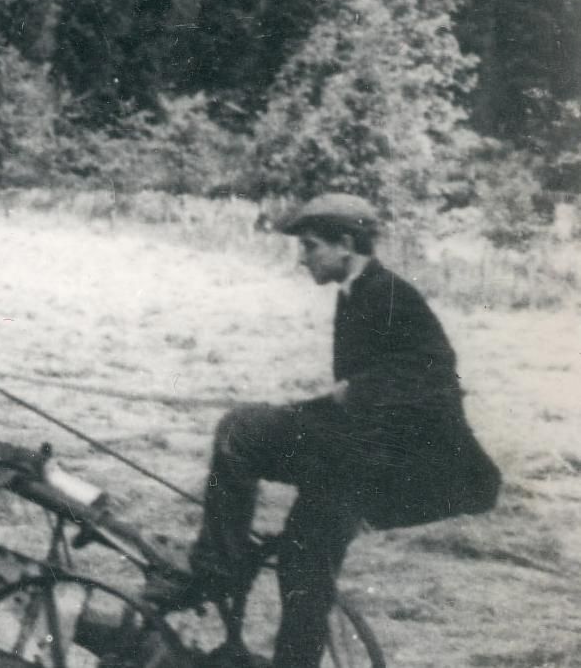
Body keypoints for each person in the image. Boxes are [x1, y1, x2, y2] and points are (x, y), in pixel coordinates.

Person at [152, 193, 501, 665]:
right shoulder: (357, 291)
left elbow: (433, 370)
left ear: (345, 243)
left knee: (239, 431)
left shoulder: (388, 292)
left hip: (393, 457)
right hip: (365, 457)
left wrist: (354, 392)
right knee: (302, 561)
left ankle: (217, 569)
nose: (302, 258)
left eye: (310, 246)